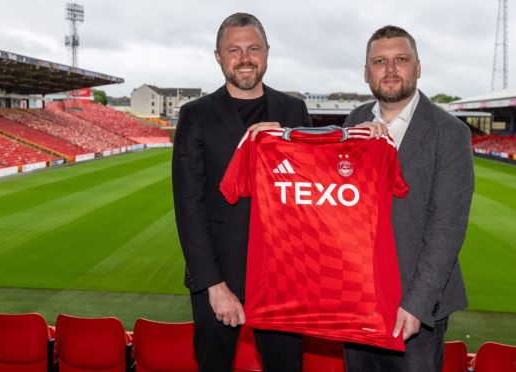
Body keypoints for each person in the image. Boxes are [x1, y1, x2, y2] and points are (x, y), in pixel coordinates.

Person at [172, 12, 311, 372]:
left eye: (253, 48)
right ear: (218, 57)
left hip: (282, 279)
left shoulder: (293, 109)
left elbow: (310, 193)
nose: (245, 58)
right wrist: (213, 285)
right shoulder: (195, 115)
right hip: (217, 276)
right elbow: (189, 207)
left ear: (267, 52)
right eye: (234, 50)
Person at [342, 25, 475, 371]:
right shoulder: (354, 122)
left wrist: (416, 304)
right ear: (365, 72)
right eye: (379, 61)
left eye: (400, 60)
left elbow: (446, 228)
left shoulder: (450, 133)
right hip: (357, 303)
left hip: (413, 309)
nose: (389, 70)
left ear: (418, 68)